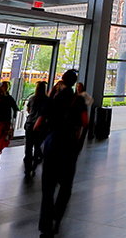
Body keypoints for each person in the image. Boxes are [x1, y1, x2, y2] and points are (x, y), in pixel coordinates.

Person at [35, 70, 87, 238]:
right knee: (65, 186)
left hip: (52, 144)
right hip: (69, 145)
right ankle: (58, 216)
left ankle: (45, 226)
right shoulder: (78, 100)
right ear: (75, 83)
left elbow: (38, 124)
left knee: (48, 189)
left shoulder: (53, 99)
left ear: (62, 80)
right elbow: (85, 122)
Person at [24, 81, 48, 176]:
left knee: (28, 148)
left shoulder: (32, 98)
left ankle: (27, 169)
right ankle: (34, 167)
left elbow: (28, 110)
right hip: (40, 126)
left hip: (29, 125)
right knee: (37, 147)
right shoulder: (46, 99)